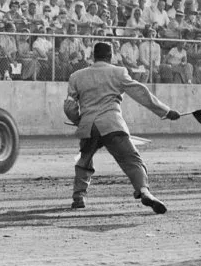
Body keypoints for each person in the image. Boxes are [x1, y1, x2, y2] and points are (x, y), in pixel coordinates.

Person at [64, 42, 181, 213]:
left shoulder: (76, 76)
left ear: (93, 56)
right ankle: (143, 191)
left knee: (84, 160)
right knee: (132, 160)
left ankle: (78, 197)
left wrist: (78, 120)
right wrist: (166, 111)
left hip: (89, 126)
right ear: (110, 56)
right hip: (112, 124)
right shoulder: (118, 72)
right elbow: (141, 92)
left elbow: (69, 106)